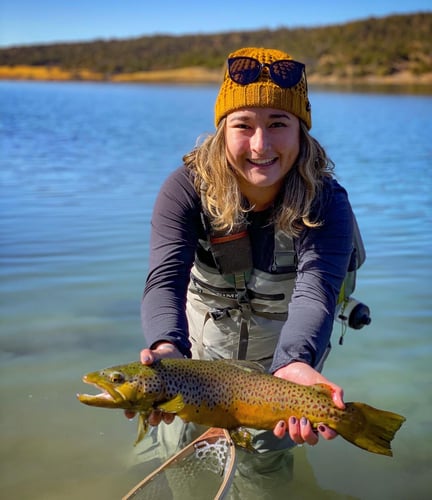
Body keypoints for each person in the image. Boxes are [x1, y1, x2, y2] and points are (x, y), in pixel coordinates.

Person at [130, 46, 354, 495]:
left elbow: (315, 294)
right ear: (221, 129)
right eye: (243, 125)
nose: (260, 146)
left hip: (284, 365)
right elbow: (165, 280)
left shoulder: (327, 202)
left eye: (278, 124)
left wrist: (295, 365)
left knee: (264, 473)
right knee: (176, 446)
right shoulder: (183, 190)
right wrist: (166, 347)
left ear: (301, 132)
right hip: (197, 360)